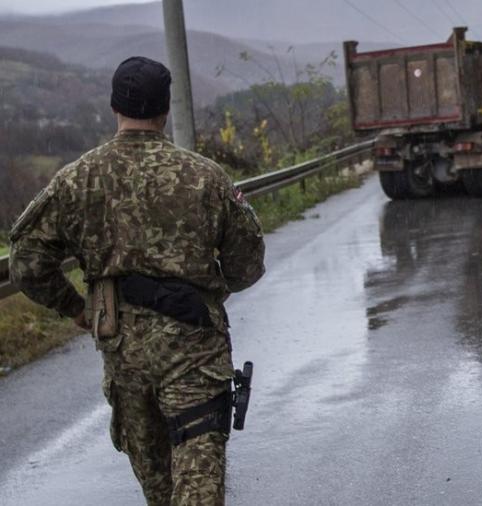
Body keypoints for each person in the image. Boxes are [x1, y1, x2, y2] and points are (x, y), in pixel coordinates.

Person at [10, 56, 265, 506]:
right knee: (199, 485)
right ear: (165, 111)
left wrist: (75, 308)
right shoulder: (205, 176)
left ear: (114, 108)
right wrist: (213, 289)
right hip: (195, 350)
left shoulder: (76, 180)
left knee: (160, 490)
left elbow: (27, 262)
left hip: (125, 353)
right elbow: (248, 263)